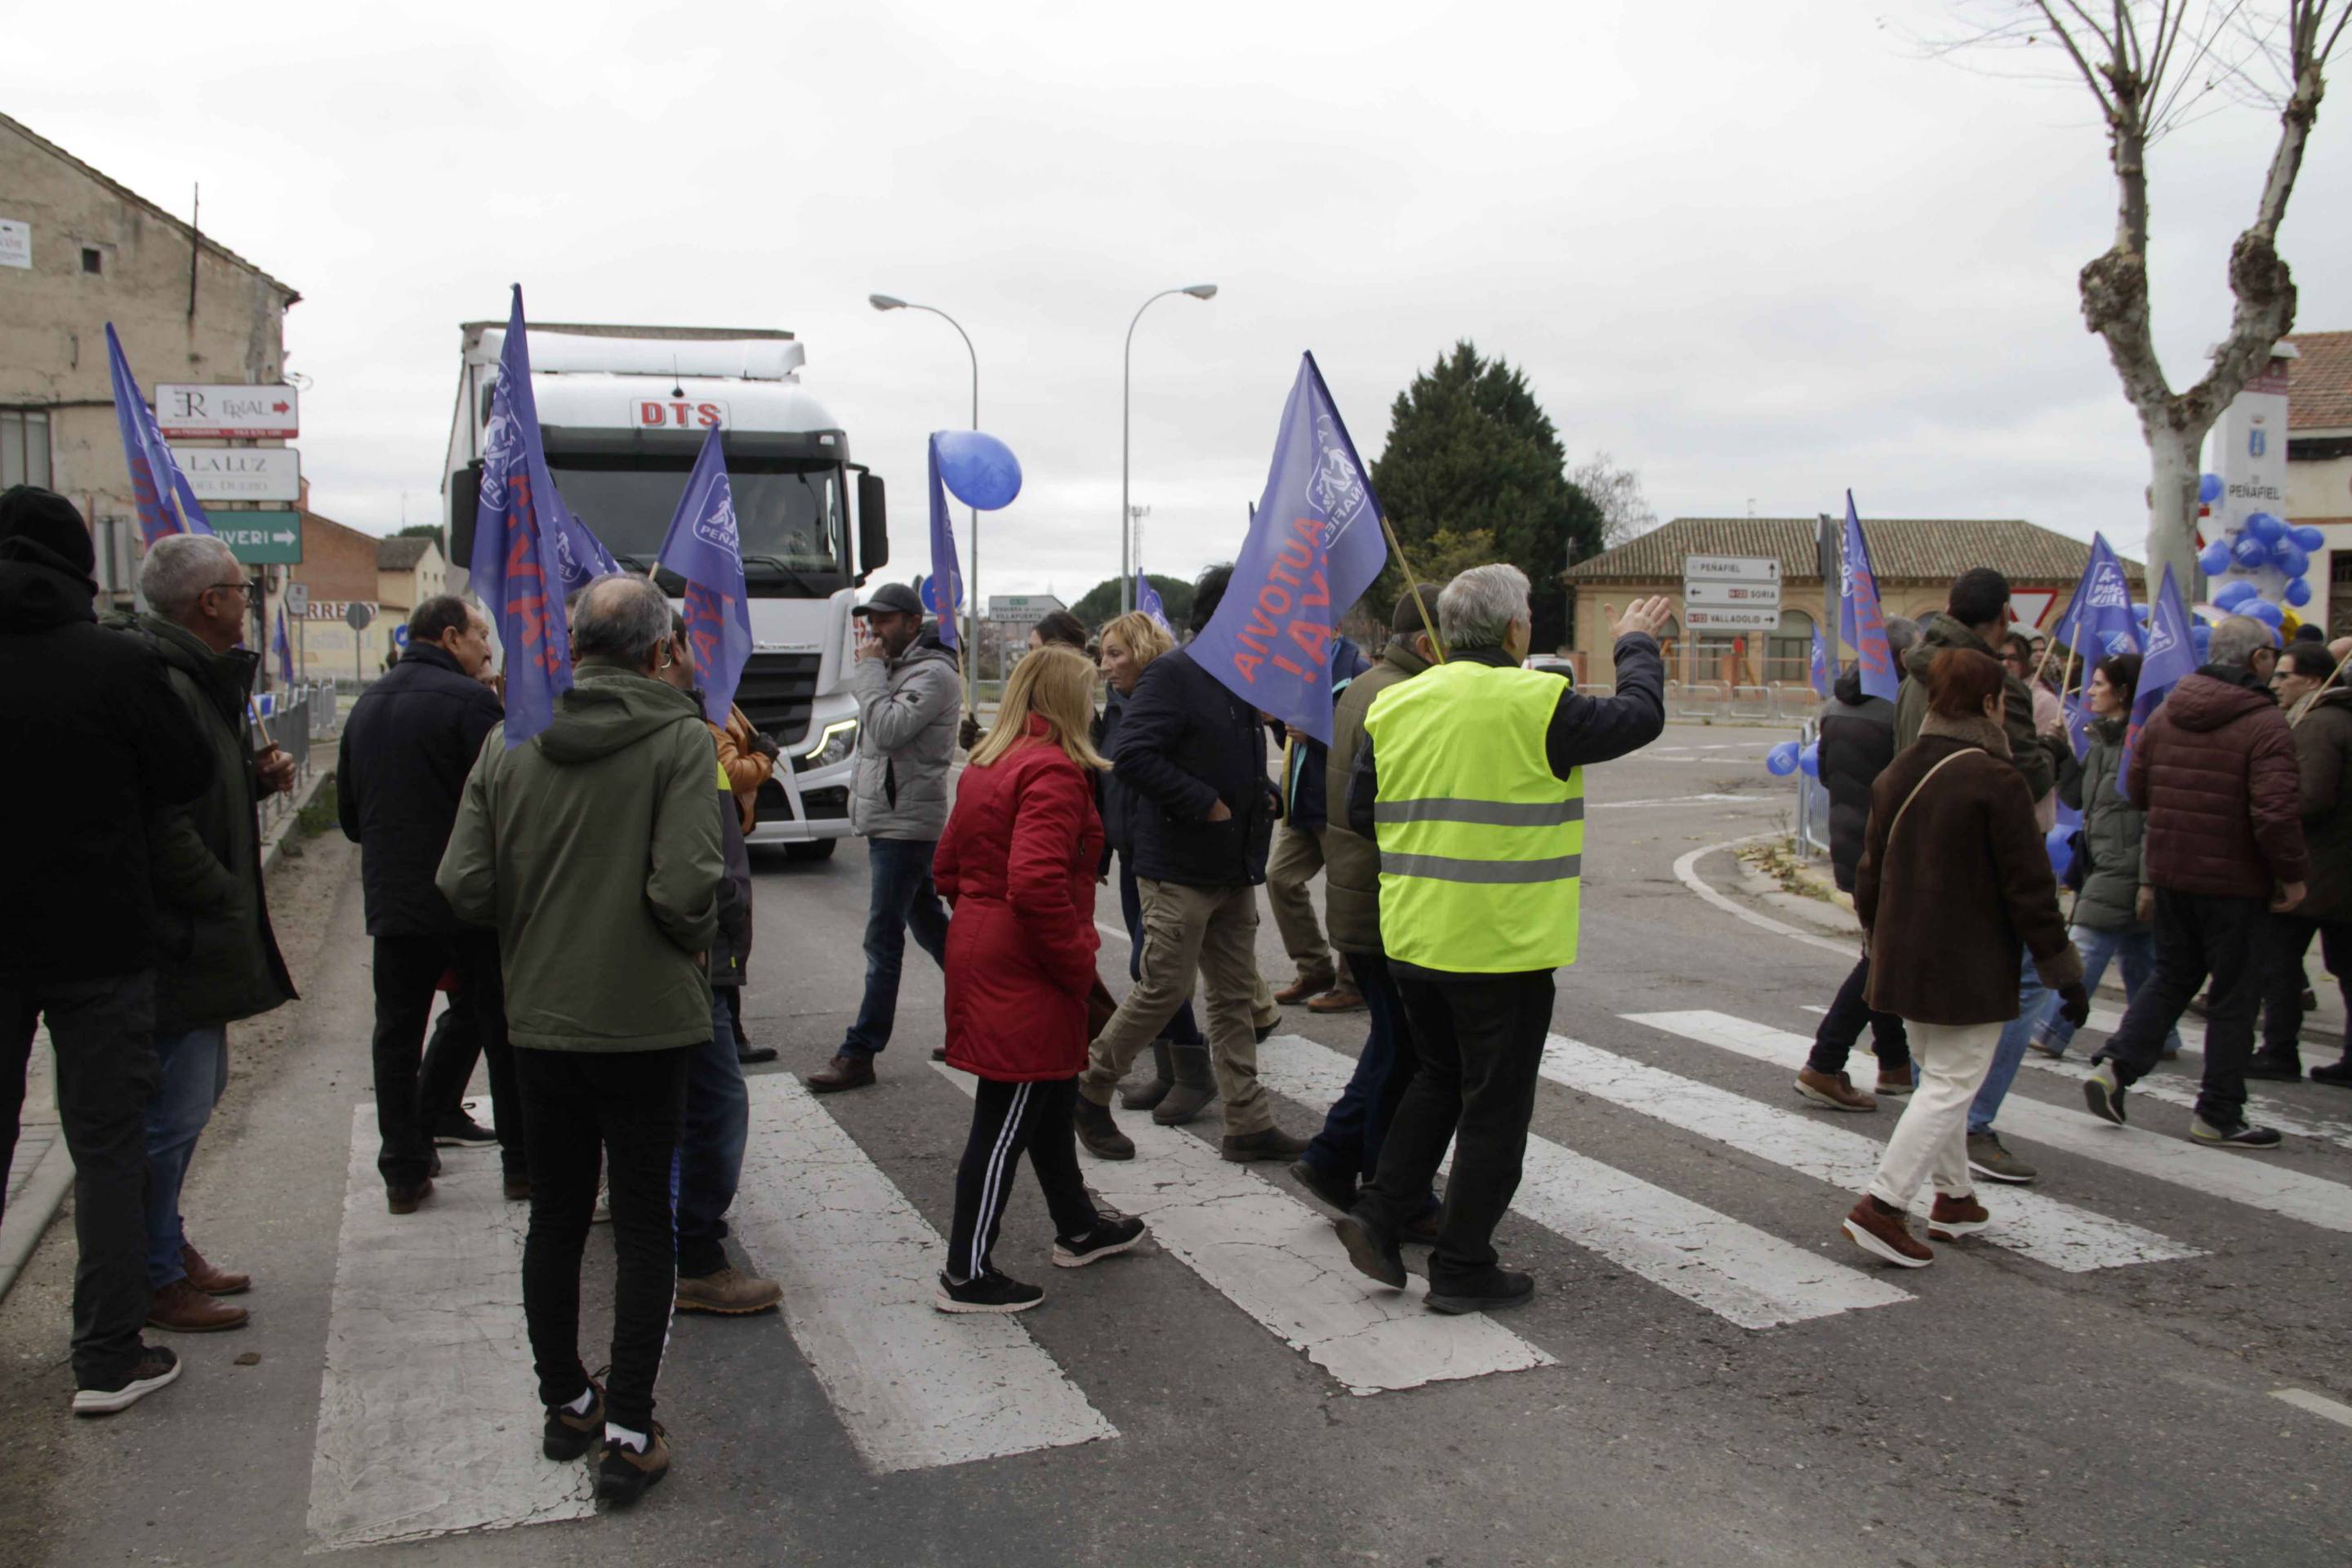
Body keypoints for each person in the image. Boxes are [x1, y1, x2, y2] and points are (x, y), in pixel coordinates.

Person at [436, 574, 724, 1505]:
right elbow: (686, 889)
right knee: (643, 1223)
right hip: (646, 1023)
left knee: (557, 1215)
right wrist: (681, 941)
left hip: (542, 1021)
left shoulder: (507, 736)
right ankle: (632, 1428)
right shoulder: (680, 736)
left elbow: (465, 887)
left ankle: (567, 1401)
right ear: (657, 653)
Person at [1333, 568, 1668, 1315]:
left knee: (1436, 1079)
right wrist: (1636, 644)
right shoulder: (1539, 701)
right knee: (1494, 1106)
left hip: (1415, 936)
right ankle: (1461, 1265)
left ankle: (1381, 1212)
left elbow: (1361, 813)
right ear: (1517, 630)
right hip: (1502, 946)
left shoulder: (1398, 702)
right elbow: (1641, 716)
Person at [0, 488, 212, 1414]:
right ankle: (107, 1356)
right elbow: (185, 772)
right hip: (100, 939)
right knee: (107, 1147)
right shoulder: (115, 663)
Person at [1841, 648, 2090, 1267]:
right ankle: (1884, 1205)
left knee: (1938, 1080)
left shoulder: (1896, 772)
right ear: (1988, 704)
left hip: (1903, 953)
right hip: (1969, 962)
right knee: (1952, 1084)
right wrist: (2064, 970)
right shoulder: (1996, 779)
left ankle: (1954, 1198)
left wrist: (1875, 940)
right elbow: (2031, 890)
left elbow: (1867, 874)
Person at [115, 534, 298, 1335]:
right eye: (237, 588)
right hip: (180, 935)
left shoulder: (196, 679)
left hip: (196, 930)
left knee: (195, 1098)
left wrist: (252, 782)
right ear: (208, 603)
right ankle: (152, 1273)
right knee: (171, 1114)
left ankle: (165, 1247)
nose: (247, 599)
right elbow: (159, 816)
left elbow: (195, 794)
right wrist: (219, 893)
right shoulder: (167, 680)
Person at [933, 646, 1150, 1312]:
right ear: (1064, 700)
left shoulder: (988, 762)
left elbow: (946, 869)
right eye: (1085, 692)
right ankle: (966, 1273)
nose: (1093, 703)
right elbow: (1034, 885)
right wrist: (1075, 956)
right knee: (1006, 1119)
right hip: (1026, 960)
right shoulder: (1053, 770)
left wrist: (982, 916)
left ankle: (1079, 1227)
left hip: (984, 944)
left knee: (1049, 1102)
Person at [1074, 566, 1306, 1162]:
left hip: (1231, 867)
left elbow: (1223, 756)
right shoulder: (1173, 675)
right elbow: (1132, 755)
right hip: (1177, 867)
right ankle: (1090, 1089)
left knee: (1232, 999)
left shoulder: (1239, 677)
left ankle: (1247, 1124)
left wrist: (1261, 796)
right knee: (1164, 988)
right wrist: (1204, 802)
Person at [2082, 616, 2308, 1149]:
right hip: (2236, 879)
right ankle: (2218, 1113)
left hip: (2170, 869)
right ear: (2256, 659)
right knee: (2233, 995)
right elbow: (2275, 814)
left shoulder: (2164, 714)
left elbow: (2135, 787)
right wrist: (2293, 876)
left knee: (2171, 976)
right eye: (2272, 656)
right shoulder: (2265, 723)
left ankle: (2116, 1065)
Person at [338, 595, 520, 1212]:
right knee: (499, 1028)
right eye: (479, 636)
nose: (486, 649)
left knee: (396, 1035)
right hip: (467, 901)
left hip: (394, 905)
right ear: (449, 638)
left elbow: (349, 817)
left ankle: (404, 1172)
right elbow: (505, 800)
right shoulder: (472, 704)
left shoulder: (366, 704)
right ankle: (522, 1165)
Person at [1893, 568, 2062, 1185]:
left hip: (1914, 854)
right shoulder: (1992, 684)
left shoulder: (1913, 671)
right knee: (2016, 986)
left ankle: (1953, 1192)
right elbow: (2026, 782)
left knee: (1931, 1019)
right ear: (2003, 616)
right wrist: (2054, 751)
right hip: (1978, 861)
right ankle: (1907, 1182)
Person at [1288, 586, 1444, 1230]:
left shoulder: (1370, 682)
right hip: (1383, 897)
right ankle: (1387, 1186)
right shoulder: (1399, 694)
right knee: (1405, 1051)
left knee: (1392, 1040)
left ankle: (1332, 1157)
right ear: (1429, 645)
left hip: (1361, 893)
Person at [647, 613, 784, 1316]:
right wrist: (713, 937)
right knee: (714, 1102)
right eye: (702, 645)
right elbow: (697, 868)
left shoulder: (531, 730)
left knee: (654, 1102)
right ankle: (693, 1251)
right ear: (668, 650)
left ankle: (658, 1230)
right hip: (693, 951)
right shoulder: (684, 738)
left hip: (638, 960)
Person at [811, 582, 961, 1093]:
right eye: (871, 619)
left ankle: (861, 1051)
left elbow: (889, 728)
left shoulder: (935, 675)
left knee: (882, 938)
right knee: (931, 929)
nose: (874, 629)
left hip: (907, 826)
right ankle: (980, 1022)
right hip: (890, 819)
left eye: (886, 620)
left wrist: (870, 672)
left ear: (913, 623)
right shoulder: (898, 669)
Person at [2027, 653, 2183, 1062]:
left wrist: (2149, 879)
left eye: (2098, 684)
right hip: (2104, 861)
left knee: (2086, 944)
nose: (2090, 691)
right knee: (2139, 957)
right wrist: (2061, 754)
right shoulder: (2102, 741)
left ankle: (2049, 1029)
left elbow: (2156, 815)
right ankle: (2161, 1034)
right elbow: (2079, 797)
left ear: (2124, 692)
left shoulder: (2144, 744)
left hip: (2125, 867)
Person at [1796, 616, 1920, 1111]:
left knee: (1881, 948)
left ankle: (1894, 1063)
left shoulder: (1836, 705)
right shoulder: (1900, 715)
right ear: (1902, 661)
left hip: (1849, 847)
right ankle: (1825, 1063)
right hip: (1888, 849)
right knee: (1879, 957)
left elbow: (1825, 774)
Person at [1092, 610, 1209, 1109]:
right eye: (1102, 654)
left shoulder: (1165, 701)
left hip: (1162, 856)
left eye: (1115, 654)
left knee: (1155, 969)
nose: (1104, 665)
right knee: (1150, 968)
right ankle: (1172, 1070)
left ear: (1143, 652)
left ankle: (1193, 1072)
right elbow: (1106, 786)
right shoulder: (1116, 708)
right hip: (1129, 855)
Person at [2249, 641, 2350, 1084]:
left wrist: (2266, 801)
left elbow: (2309, 798)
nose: (2277, 684)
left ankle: (2279, 1051)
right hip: (2338, 869)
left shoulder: (2317, 724)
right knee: (2344, 968)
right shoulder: (2336, 719)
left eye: (2284, 676)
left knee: (2280, 963)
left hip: (2316, 869)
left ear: (2312, 680)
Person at [1264, 636, 1371, 1011]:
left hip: (1339, 803)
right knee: (1280, 879)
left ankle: (1352, 984)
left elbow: (1364, 740)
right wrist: (1279, 722)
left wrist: (1317, 734)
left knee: (1345, 896)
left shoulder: (1356, 671)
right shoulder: (1297, 665)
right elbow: (1293, 740)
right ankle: (1315, 970)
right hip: (1303, 802)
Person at [711, 702, 780, 1065]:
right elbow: (728, 771)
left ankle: (732, 1033)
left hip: (731, 828)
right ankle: (728, 1037)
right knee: (727, 925)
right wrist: (763, 760)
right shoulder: (708, 712)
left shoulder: (722, 705)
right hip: (720, 830)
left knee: (732, 931)